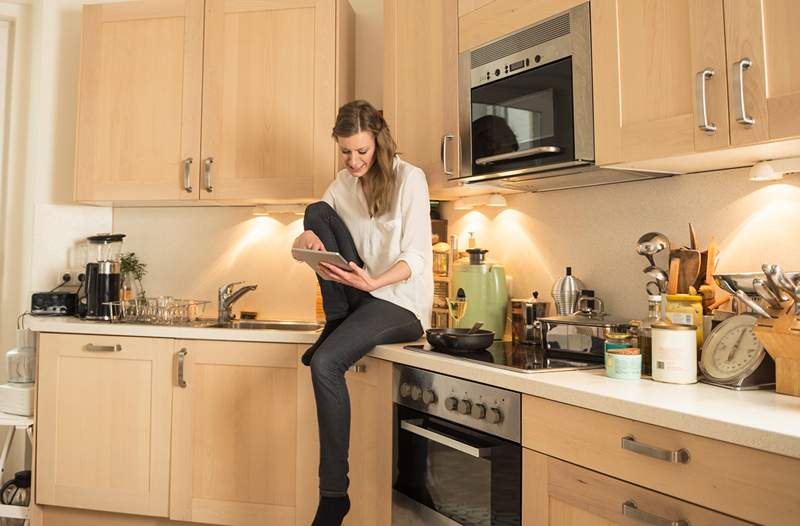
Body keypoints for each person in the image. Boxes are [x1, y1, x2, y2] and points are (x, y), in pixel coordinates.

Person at [292, 100, 433, 526]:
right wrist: (304, 241)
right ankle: (337, 320)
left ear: (379, 143)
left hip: (399, 303)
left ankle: (334, 495)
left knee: (326, 363)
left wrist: (374, 282)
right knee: (315, 212)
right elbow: (318, 231)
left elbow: (416, 256)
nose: (353, 162)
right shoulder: (342, 183)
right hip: (359, 298)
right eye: (346, 152)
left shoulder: (410, 179)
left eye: (362, 152)